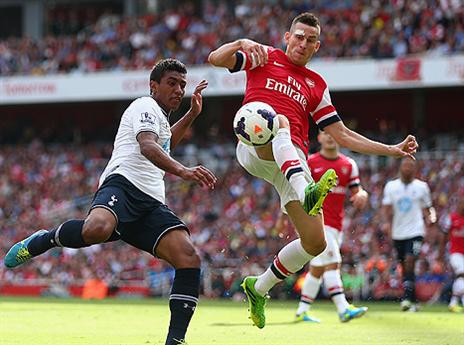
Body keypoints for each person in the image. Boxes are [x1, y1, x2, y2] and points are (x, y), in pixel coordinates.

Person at [208, 12, 418, 328]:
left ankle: (259, 286)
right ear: (286, 37)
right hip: (255, 144)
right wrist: (241, 42)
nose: (303, 43)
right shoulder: (264, 56)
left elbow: (342, 134)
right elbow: (215, 59)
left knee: (315, 243)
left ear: (316, 46)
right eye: (299, 36)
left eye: (310, 40)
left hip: (291, 160)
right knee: (277, 122)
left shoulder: (317, 85)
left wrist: (391, 149)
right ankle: (305, 187)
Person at [4, 58, 217, 345]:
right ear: (153, 86)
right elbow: (148, 146)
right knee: (97, 229)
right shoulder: (145, 105)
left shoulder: (161, 118)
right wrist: (183, 170)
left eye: (182, 84)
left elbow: (165, 144)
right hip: (123, 185)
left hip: (151, 201)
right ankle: (45, 240)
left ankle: (175, 341)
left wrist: (191, 115)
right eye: (172, 83)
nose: (179, 89)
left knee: (189, 257)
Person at [294, 131, 369, 323]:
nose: (329, 137)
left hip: (337, 225)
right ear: (318, 138)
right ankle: (343, 309)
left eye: (332, 133)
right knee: (333, 263)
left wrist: (362, 194)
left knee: (317, 269)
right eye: (324, 133)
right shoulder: (309, 162)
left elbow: (356, 190)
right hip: (316, 221)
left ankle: (302, 311)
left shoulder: (348, 164)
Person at [382, 158, 436, 312]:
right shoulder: (391, 187)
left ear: (415, 169)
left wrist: (431, 217)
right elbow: (386, 208)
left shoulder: (421, 187)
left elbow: (428, 207)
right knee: (404, 265)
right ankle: (413, 300)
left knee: (410, 260)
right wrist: (386, 223)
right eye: (405, 165)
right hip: (398, 232)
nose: (407, 168)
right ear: (400, 168)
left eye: (411, 166)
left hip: (416, 231)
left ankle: (406, 298)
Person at [439, 196, 464, 312]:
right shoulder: (451, 218)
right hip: (455, 253)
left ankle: (454, 302)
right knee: (462, 273)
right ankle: (454, 302)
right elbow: (444, 238)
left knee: (461, 277)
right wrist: (441, 254)